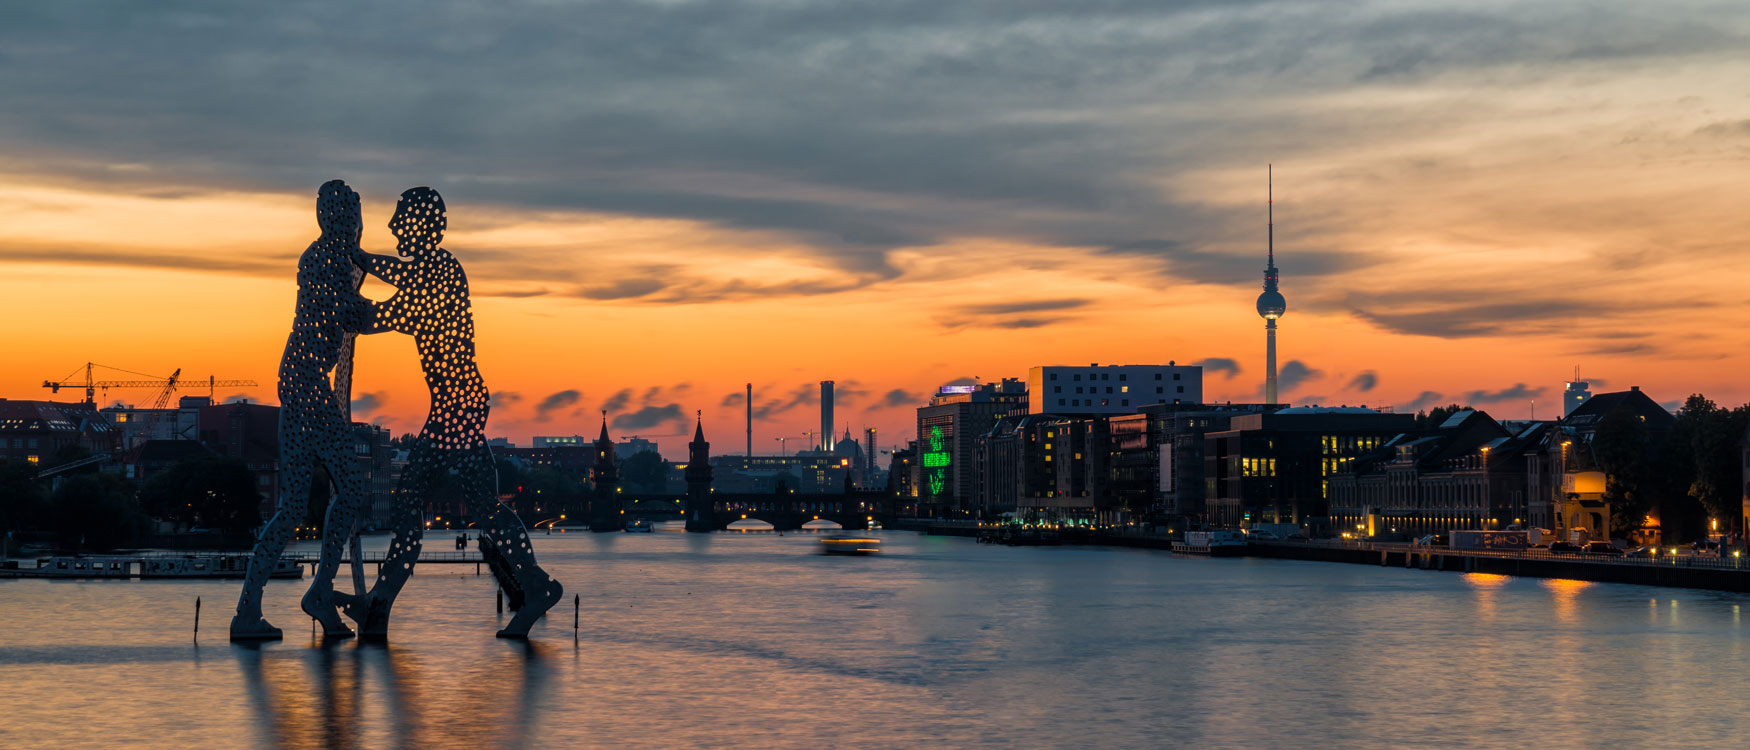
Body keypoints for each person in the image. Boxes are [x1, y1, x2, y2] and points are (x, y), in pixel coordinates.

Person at [340, 187, 562, 638]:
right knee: (475, 505)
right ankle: (536, 586)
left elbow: (386, 313)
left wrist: (347, 293)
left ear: (421, 224)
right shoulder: (432, 271)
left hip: (455, 406)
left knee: (411, 505)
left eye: (401, 218)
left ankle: (378, 606)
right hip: (457, 403)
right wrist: (359, 258)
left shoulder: (440, 272)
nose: (393, 226)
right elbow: (398, 276)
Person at [231, 180, 373, 640]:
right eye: (349, 216)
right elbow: (356, 315)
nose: (352, 224)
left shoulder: (326, 257)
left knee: (293, 506)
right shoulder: (328, 259)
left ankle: (250, 610)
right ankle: (318, 592)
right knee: (350, 489)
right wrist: (414, 311)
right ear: (337, 219)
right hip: (309, 390)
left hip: (298, 386)